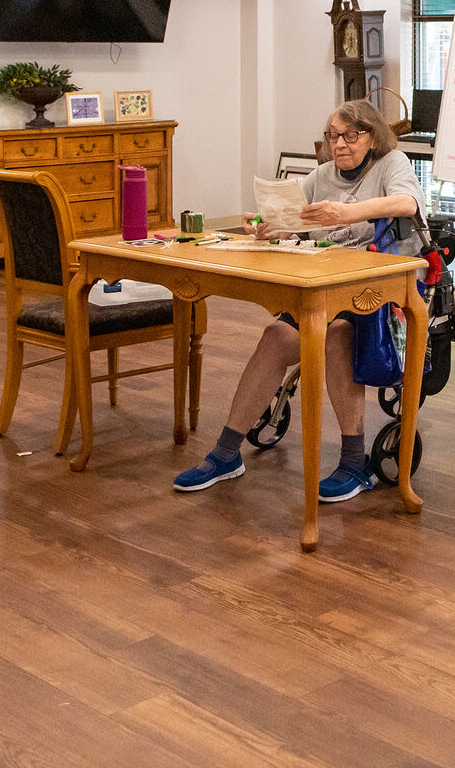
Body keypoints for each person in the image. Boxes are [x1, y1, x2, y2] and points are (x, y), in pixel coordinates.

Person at [175, 99, 427, 504]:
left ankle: (354, 462)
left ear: (372, 136)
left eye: (350, 135)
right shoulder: (321, 175)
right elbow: (288, 222)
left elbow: (407, 204)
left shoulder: (391, 163)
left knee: (337, 337)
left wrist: (346, 212)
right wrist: (262, 226)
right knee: (275, 335)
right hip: (327, 281)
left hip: (378, 286)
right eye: (332, 136)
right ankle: (225, 453)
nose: (339, 144)